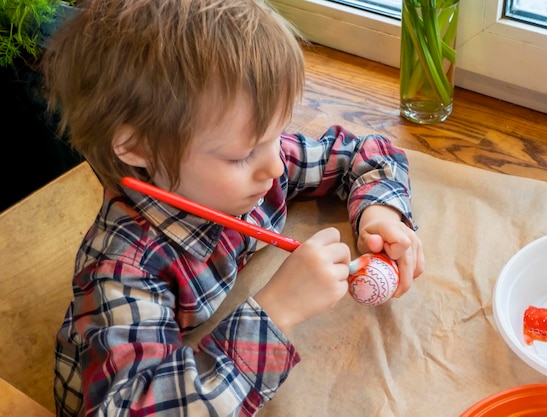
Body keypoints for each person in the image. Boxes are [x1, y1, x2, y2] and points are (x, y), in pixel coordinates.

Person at [42, 0, 425, 416]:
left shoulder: (247, 168)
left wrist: (379, 213)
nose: (276, 165)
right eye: (242, 154)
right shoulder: (122, 270)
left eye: (276, 135)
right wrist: (279, 309)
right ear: (138, 148)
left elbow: (362, 154)